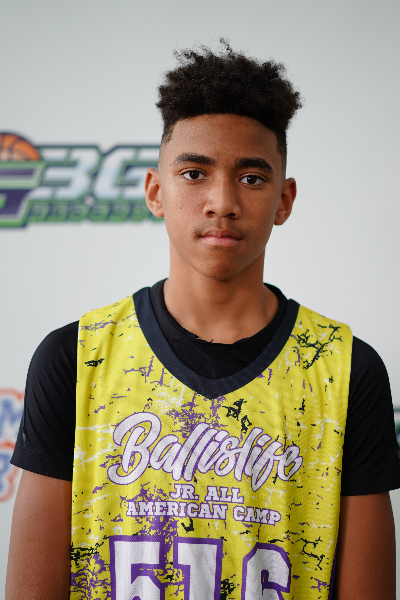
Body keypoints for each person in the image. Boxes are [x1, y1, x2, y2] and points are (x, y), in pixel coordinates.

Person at [6, 42, 400, 600]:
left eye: (252, 178)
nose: (222, 201)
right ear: (155, 191)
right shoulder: (75, 358)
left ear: (284, 200)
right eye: (194, 173)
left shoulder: (345, 369)